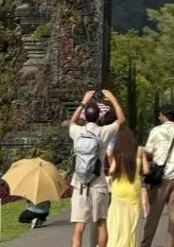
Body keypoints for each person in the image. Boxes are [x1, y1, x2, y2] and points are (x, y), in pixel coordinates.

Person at [69, 89, 125, 247]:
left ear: (85, 116)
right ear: (99, 116)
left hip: (80, 183)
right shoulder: (103, 132)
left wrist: (83, 101)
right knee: (101, 223)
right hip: (98, 183)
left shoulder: (77, 132)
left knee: (79, 226)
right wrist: (112, 99)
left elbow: (72, 121)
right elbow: (121, 119)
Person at [142, 104, 174, 247]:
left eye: (160, 115)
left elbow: (149, 151)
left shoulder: (156, 131)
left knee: (153, 216)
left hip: (160, 177)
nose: (159, 117)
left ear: (164, 116)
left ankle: (146, 244)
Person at [108, 125, 150, 247]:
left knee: (116, 222)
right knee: (131, 224)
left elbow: (111, 170)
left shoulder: (118, 153)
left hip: (118, 189)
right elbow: (146, 170)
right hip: (133, 189)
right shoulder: (140, 150)